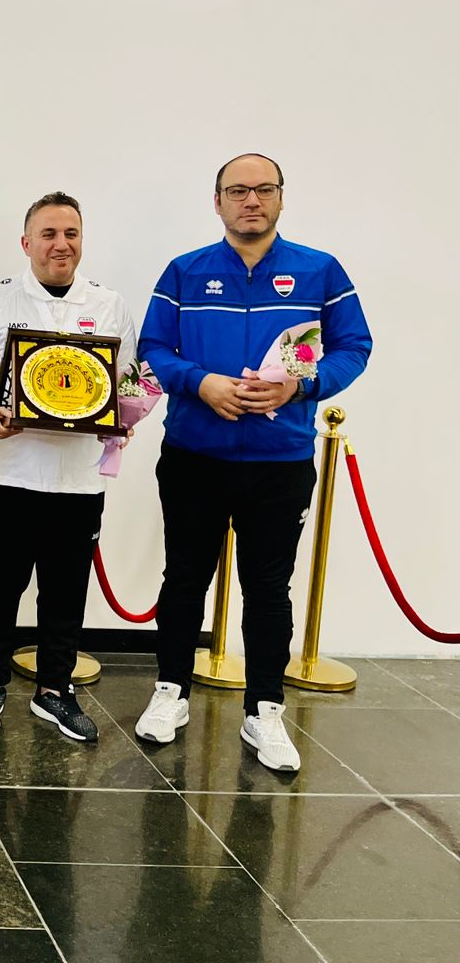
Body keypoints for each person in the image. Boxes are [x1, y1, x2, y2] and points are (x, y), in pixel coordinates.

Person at [134, 154, 372, 772]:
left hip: (279, 461)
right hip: (194, 457)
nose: (251, 201)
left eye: (264, 189)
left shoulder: (320, 271)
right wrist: (201, 382)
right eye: (237, 190)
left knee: (268, 589)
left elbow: (354, 346)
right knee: (184, 578)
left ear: (281, 198)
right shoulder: (185, 271)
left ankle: (265, 710)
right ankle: (170, 692)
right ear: (217, 201)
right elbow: (153, 348)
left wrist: (301, 385)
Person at [0, 192, 137, 743]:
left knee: (65, 591)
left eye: (71, 234)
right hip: (8, 472)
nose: (61, 244)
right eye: (49, 234)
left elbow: (125, 383)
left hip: (78, 480)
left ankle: (55, 690)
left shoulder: (109, 304)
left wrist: (122, 419)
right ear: (26, 242)